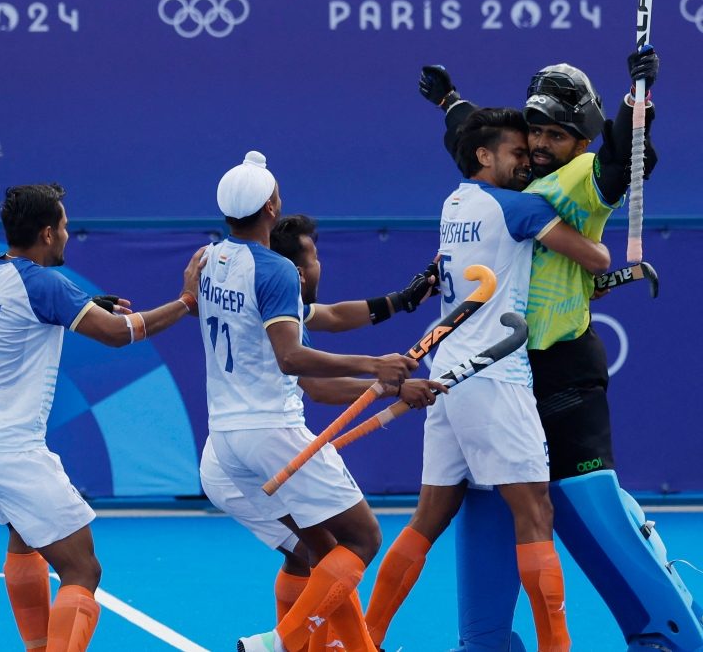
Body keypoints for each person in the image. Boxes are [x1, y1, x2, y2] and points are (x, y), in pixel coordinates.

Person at [420, 50, 702, 652]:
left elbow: (624, 164)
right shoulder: (513, 176)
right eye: (536, 132)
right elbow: (475, 135)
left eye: (557, 134)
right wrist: (450, 102)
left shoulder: (575, 178)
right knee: (488, 511)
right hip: (498, 377)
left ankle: (670, 634)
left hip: (561, 376)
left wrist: (636, 103)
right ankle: (487, 642)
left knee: (591, 514)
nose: (541, 143)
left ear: (581, 141)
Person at [362, 108, 612, 652]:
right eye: (517, 153)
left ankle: (363, 638)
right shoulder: (521, 207)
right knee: (534, 510)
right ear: (484, 155)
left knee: (429, 516)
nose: (527, 162)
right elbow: (596, 257)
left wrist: (452, 103)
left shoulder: (454, 203)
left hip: (447, 376)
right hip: (494, 375)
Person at [0, 183, 204, 652]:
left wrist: (81, 307)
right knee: (82, 569)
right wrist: (185, 302)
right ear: (45, 233)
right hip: (7, 452)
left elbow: (22, 311)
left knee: (24, 536)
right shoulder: (45, 284)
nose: (67, 235)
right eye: (62, 227)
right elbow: (120, 335)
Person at [177, 152, 415, 652]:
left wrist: (390, 371)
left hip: (224, 440)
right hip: (272, 432)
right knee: (363, 538)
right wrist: (375, 366)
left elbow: (318, 318)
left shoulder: (206, 261)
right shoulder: (277, 270)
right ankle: (278, 643)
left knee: (319, 552)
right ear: (271, 206)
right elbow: (291, 357)